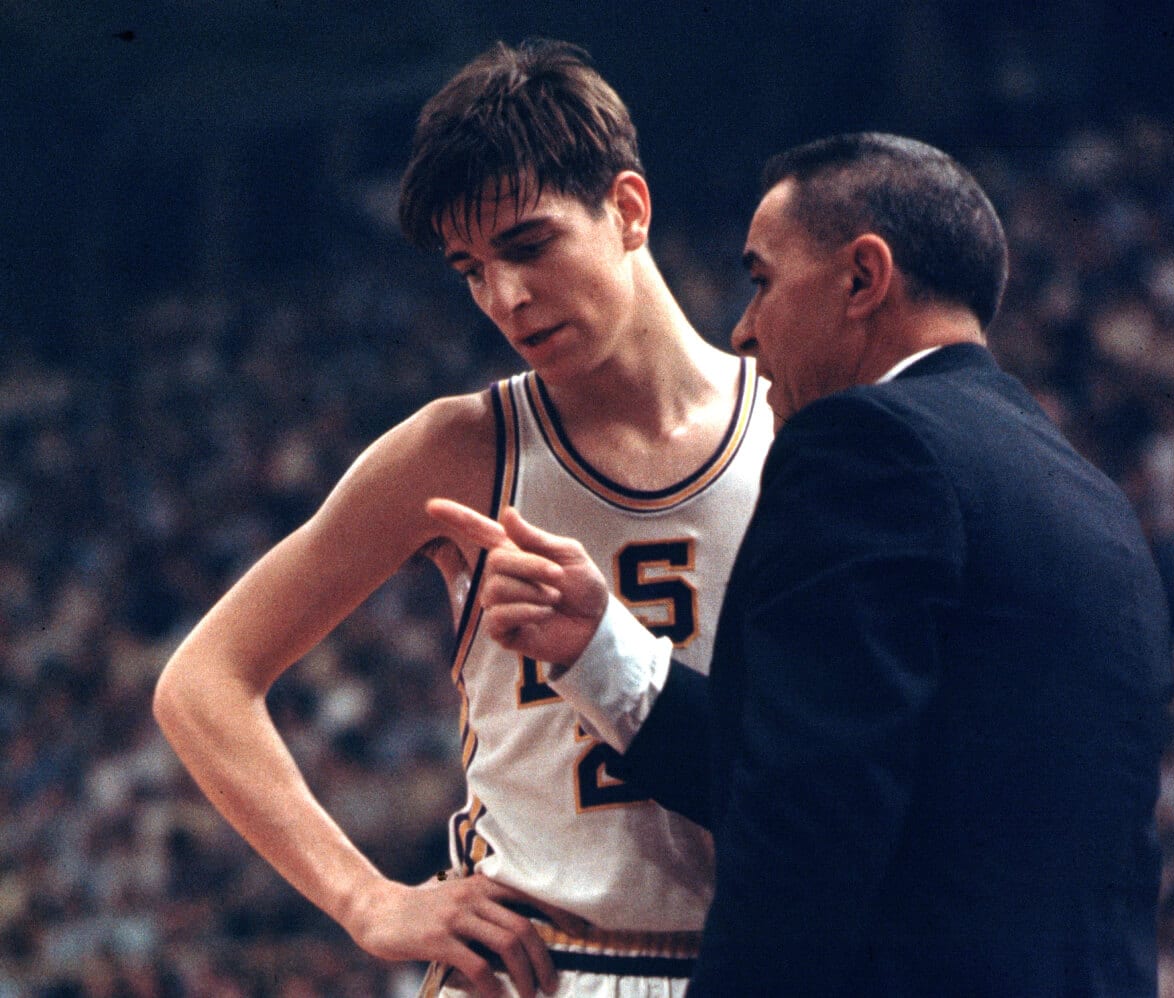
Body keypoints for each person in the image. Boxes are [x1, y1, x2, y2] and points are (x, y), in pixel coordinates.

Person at [428, 132, 1174, 995]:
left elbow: (805, 819)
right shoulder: (1090, 496)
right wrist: (601, 648)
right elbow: (864, 764)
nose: (745, 328)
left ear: (863, 278)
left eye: (762, 279)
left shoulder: (865, 444)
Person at [152, 39, 774, 998]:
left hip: (753, 961)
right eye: (470, 270)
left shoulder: (795, 426)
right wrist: (367, 901)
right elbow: (201, 681)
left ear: (628, 209)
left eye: (528, 245)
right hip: (538, 966)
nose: (506, 298)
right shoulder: (459, 449)